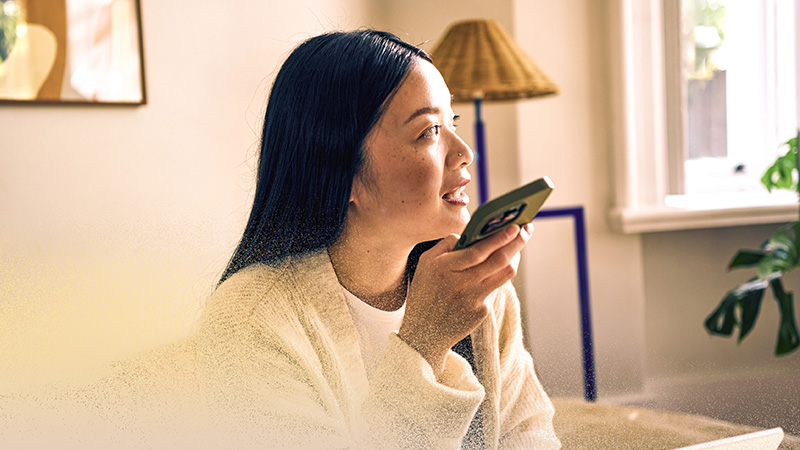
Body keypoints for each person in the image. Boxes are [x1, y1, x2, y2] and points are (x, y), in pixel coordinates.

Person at [6, 29, 560, 450]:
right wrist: (423, 344)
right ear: (342, 172)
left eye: (454, 122)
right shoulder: (251, 316)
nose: (465, 154)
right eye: (429, 132)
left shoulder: (478, 292)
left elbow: (530, 439)